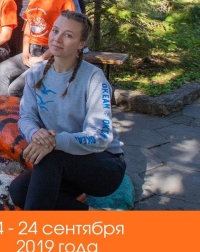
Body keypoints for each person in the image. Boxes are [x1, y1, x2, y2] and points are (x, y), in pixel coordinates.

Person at [9, 11, 125, 210]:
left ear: (81, 44)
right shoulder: (35, 73)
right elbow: (26, 117)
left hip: (103, 166)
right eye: (55, 31)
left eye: (68, 35)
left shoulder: (94, 78)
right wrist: (36, 134)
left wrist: (55, 141)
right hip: (62, 162)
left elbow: (101, 137)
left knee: (51, 156)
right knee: (19, 191)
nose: (57, 38)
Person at [0, 0, 75, 97]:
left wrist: (43, 57)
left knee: (15, 89)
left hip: (52, 54)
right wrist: (25, 52)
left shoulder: (65, 3)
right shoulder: (35, 0)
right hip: (32, 50)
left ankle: (24, 110)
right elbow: (28, 28)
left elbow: (64, 37)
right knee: (2, 70)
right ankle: (2, 108)